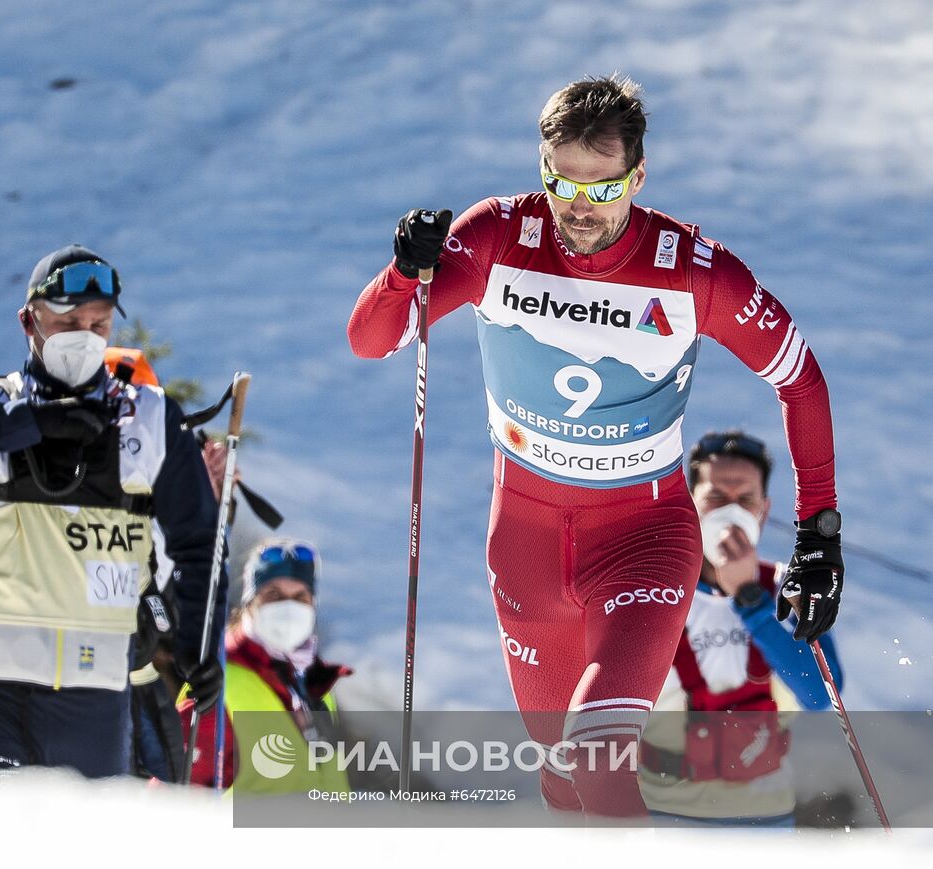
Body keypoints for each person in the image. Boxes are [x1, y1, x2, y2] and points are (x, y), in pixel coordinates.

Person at [347, 75, 843, 819]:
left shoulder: (691, 271)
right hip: (524, 548)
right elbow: (370, 339)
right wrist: (402, 272)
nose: (579, 209)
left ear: (637, 176)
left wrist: (818, 531)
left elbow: (801, 378)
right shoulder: (497, 237)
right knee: (562, 787)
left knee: (596, 751)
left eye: (603, 188)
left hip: (642, 537)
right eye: (562, 183)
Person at [0, 246, 226, 778]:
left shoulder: (147, 417)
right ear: (30, 320)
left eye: (98, 323)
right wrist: (34, 421)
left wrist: (198, 640)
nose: (85, 334)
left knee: (86, 857)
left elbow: (200, 540)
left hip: (93, 689)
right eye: (68, 321)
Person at [640, 430, 841, 825]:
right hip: (662, 811)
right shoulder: (652, 593)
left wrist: (752, 601)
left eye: (744, 500)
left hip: (764, 816)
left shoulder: (791, 589)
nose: (730, 514)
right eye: (716, 499)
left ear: (762, 511)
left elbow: (821, 695)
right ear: (688, 506)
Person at [179, 539, 352, 793]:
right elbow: (172, 800)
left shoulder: (317, 687)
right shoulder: (217, 682)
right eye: (274, 595)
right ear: (250, 603)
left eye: (300, 597)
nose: (288, 607)